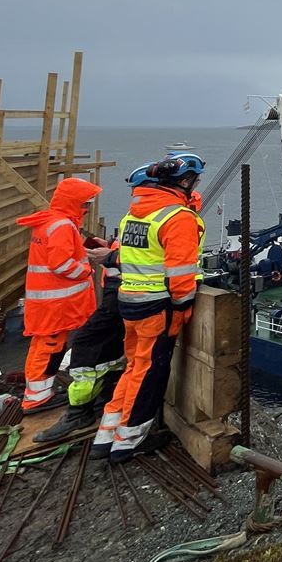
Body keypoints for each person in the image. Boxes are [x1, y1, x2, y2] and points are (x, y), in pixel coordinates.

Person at [93, 153, 206, 462]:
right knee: (150, 373)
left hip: (129, 301)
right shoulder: (177, 218)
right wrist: (183, 308)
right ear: (183, 182)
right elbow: (180, 274)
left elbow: (126, 260)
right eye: (192, 182)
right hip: (158, 308)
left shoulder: (133, 217)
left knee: (133, 367)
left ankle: (106, 435)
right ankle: (129, 441)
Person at [34, 162, 153, 443]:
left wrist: (102, 260)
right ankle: (103, 398)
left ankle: (80, 410)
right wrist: (111, 247)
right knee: (112, 351)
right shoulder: (147, 217)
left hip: (124, 295)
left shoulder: (148, 217)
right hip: (121, 295)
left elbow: (146, 256)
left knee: (86, 347)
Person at [16, 178, 103, 413]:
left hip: (47, 302)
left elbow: (58, 251)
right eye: (84, 204)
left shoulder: (50, 222)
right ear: (73, 203)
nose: (86, 209)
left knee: (43, 347)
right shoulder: (63, 225)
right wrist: (86, 269)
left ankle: (38, 393)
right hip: (56, 304)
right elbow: (61, 263)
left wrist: (83, 251)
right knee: (49, 349)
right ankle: (36, 398)